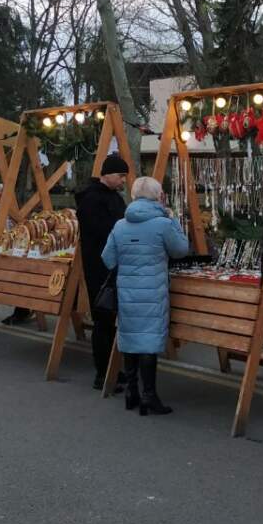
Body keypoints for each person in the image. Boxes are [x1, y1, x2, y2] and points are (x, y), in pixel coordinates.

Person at [101, 175, 190, 415]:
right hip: (153, 292)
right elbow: (182, 250)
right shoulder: (163, 223)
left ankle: (132, 392)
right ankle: (150, 396)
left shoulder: (120, 225)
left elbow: (107, 258)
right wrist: (174, 220)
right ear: (158, 196)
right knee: (149, 342)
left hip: (128, 293)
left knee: (130, 339)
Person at [76, 153, 129, 390]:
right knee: (103, 320)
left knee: (110, 322)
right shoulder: (91, 199)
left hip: (112, 265)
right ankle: (103, 373)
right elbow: (99, 230)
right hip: (99, 267)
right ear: (107, 174)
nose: (123, 181)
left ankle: (114, 369)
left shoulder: (113, 197)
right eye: (121, 176)